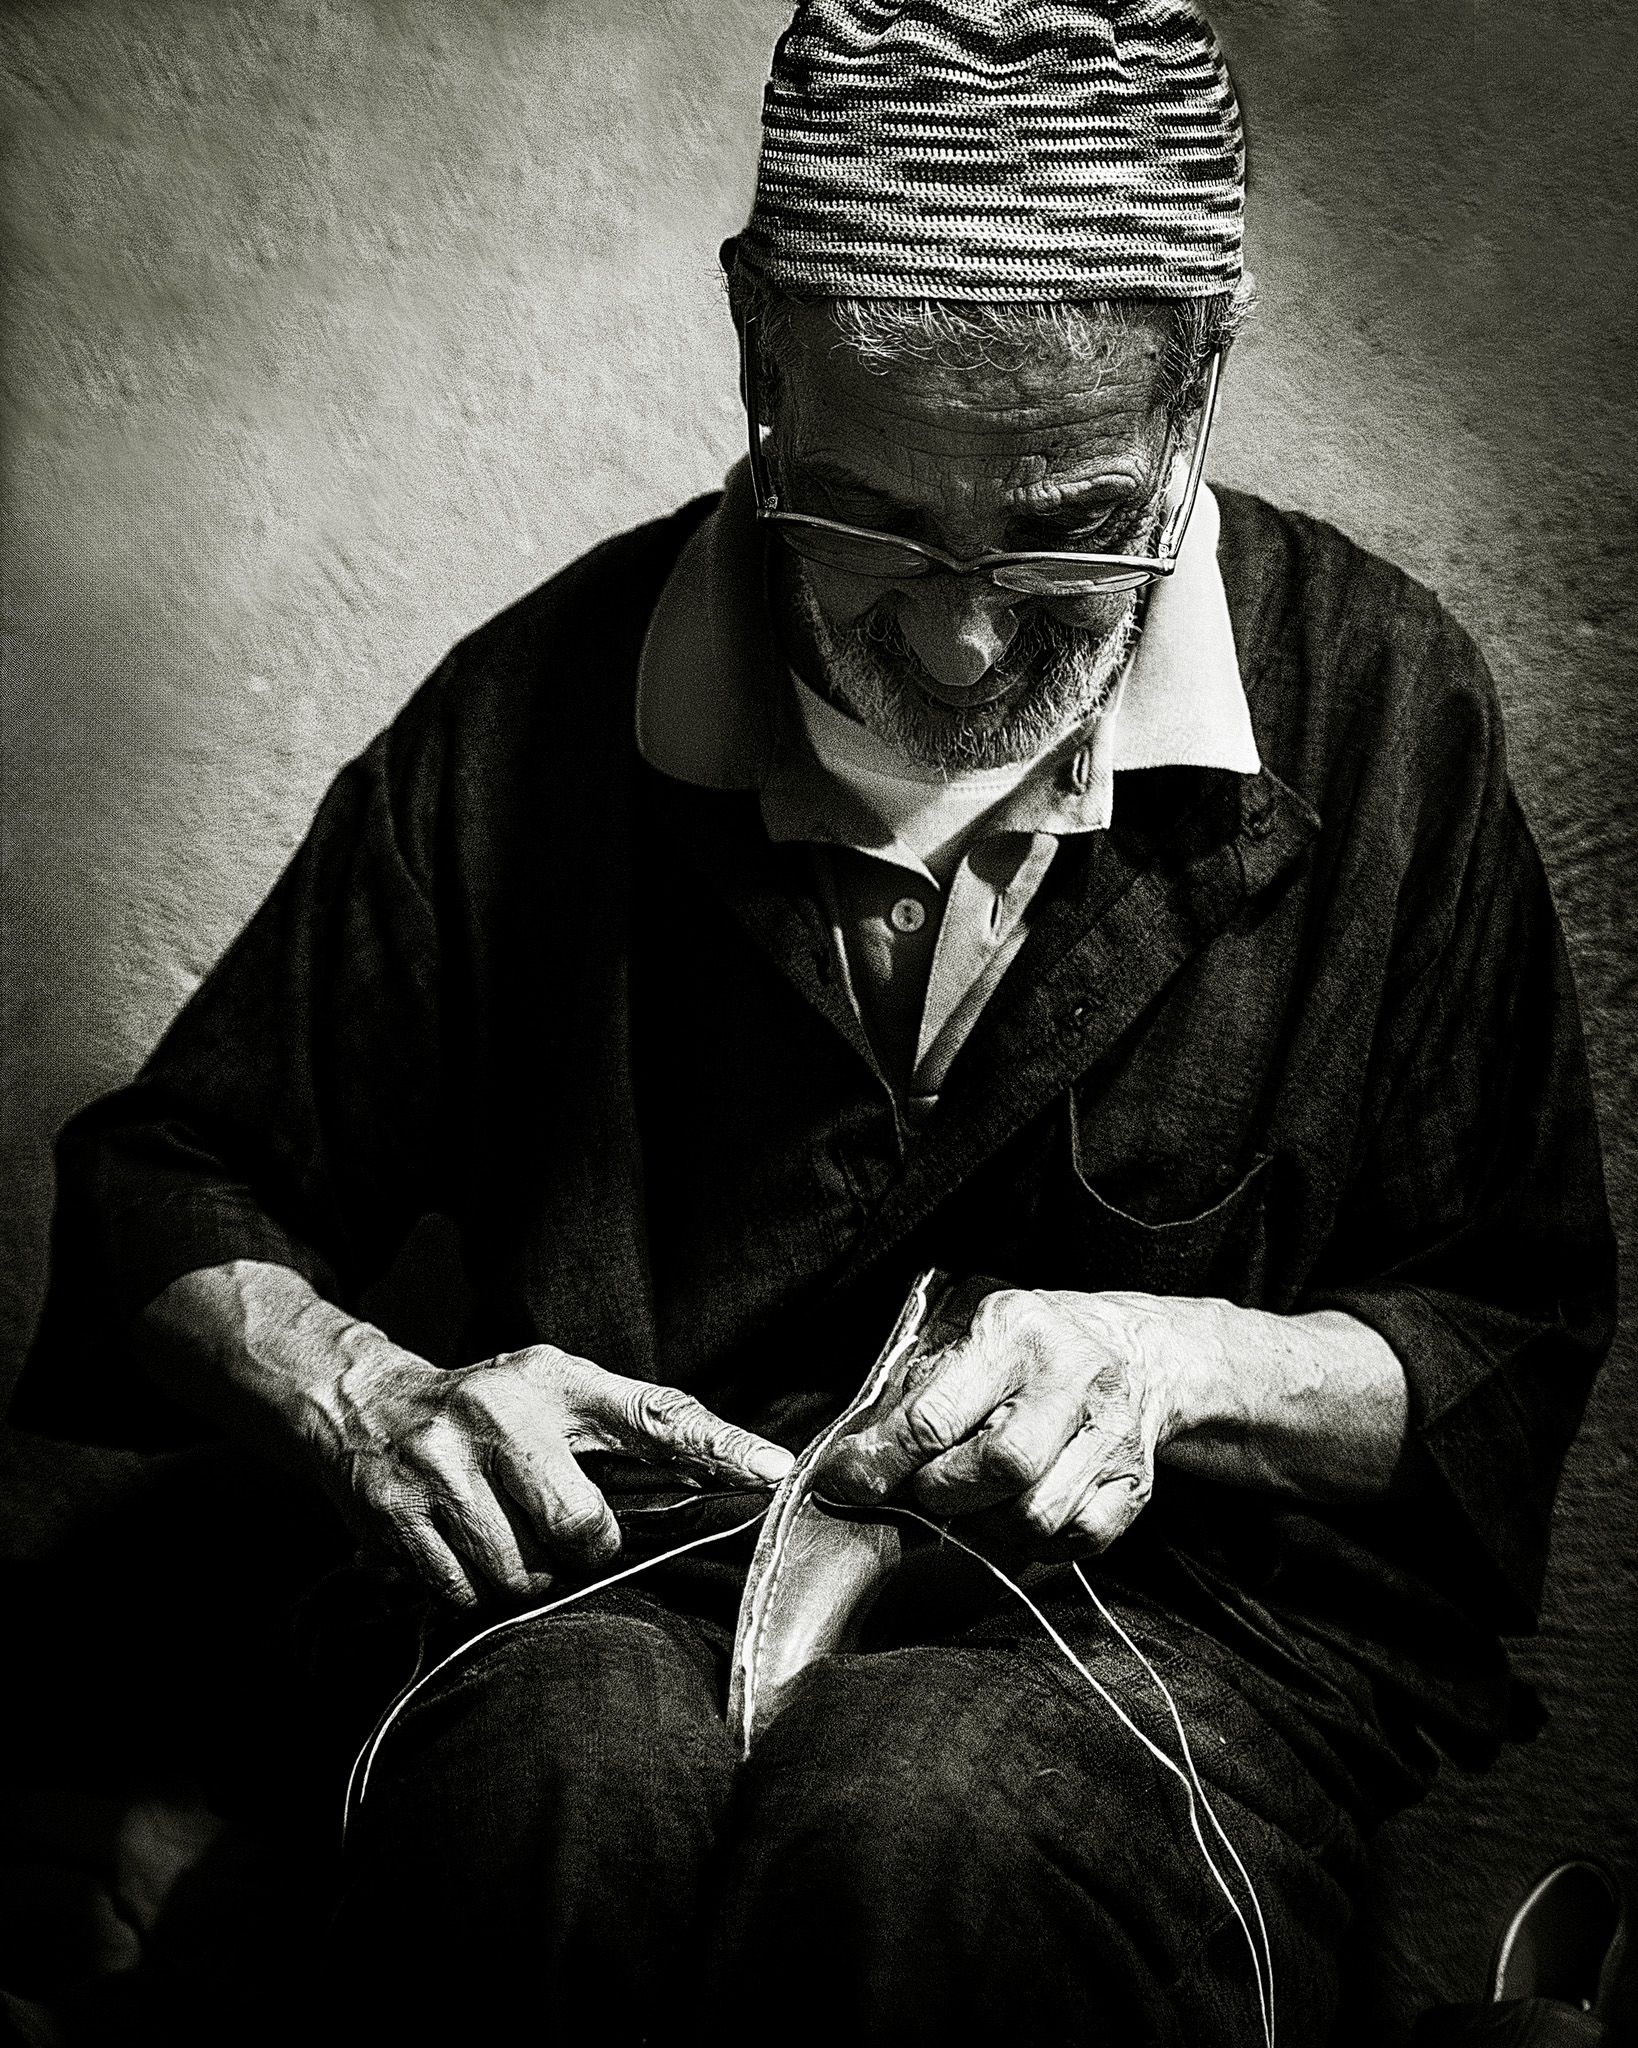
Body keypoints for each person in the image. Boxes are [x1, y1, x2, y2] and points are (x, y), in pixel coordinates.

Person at [11, 1, 1616, 2042]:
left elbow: (1504, 1331)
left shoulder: (1383, 704)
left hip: (1177, 1633)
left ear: (1199, 378)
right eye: (868, 514)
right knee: (554, 1795)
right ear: (760, 339)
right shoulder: (547, 701)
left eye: (1065, 526)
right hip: (613, 1588)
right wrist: (371, 1399)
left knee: (936, 1827)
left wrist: (1172, 1363)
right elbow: (165, 1182)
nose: (959, 633)